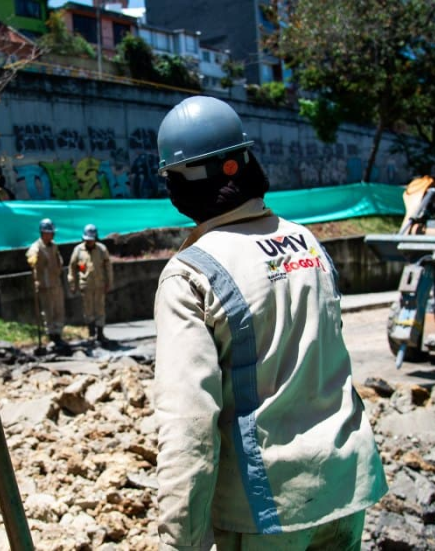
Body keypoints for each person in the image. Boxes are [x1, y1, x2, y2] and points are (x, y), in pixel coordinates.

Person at [151, 96, 387, 550]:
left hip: (267, 511)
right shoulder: (307, 243)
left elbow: (189, 429)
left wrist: (182, 543)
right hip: (345, 485)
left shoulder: (190, 273)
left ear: (182, 184)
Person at [68, 224, 113, 343]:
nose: (89, 242)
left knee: (100, 309)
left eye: (91, 240)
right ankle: (91, 333)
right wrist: (72, 283)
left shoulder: (102, 249)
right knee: (88, 309)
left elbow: (108, 267)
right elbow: (72, 267)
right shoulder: (78, 250)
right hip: (86, 285)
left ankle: (100, 333)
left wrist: (109, 282)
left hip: (99, 284)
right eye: (87, 240)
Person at [26, 218, 67, 348]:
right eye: (49, 233)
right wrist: (32, 259)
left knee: (58, 310)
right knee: (48, 311)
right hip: (44, 285)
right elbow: (31, 256)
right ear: (43, 233)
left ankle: (58, 334)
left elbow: (58, 261)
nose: (51, 235)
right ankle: (51, 336)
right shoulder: (36, 247)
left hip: (56, 283)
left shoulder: (54, 246)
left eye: (52, 233)